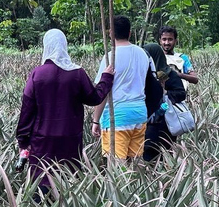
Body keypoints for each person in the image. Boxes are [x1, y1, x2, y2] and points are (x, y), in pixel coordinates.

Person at [16, 29, 114, 195]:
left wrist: (23, 141)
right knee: (69, 179)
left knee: (42, 178)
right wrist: (106, 78)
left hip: (42, 139)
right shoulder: (77, 73)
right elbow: (94, 98)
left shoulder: (37, 74)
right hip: (70, 138)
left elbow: (27, 109)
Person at [91, 16, 153, 163]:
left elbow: (103, 90)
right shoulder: (142, 53)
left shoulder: (110, 57)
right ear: (130, 33)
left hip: (117, 116)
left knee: (117, 167)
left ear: (111, 33)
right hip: (139, 113)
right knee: (136, 164)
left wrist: (95, 120)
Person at [142, 43, 187, 161]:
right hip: (149, 120)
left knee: (159, 152)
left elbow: (181, 93)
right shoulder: (143, 74)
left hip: (165, 120)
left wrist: (165, 95)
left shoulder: (169, 73)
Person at [158, 25, 198, 90]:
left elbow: (195, 79)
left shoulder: (182, 58)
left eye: (170, 39)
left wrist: (177, 74)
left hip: (178, 96)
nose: (167, 43)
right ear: (160, 41)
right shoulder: (156, 57)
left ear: (175, 41)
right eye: (164, 39)